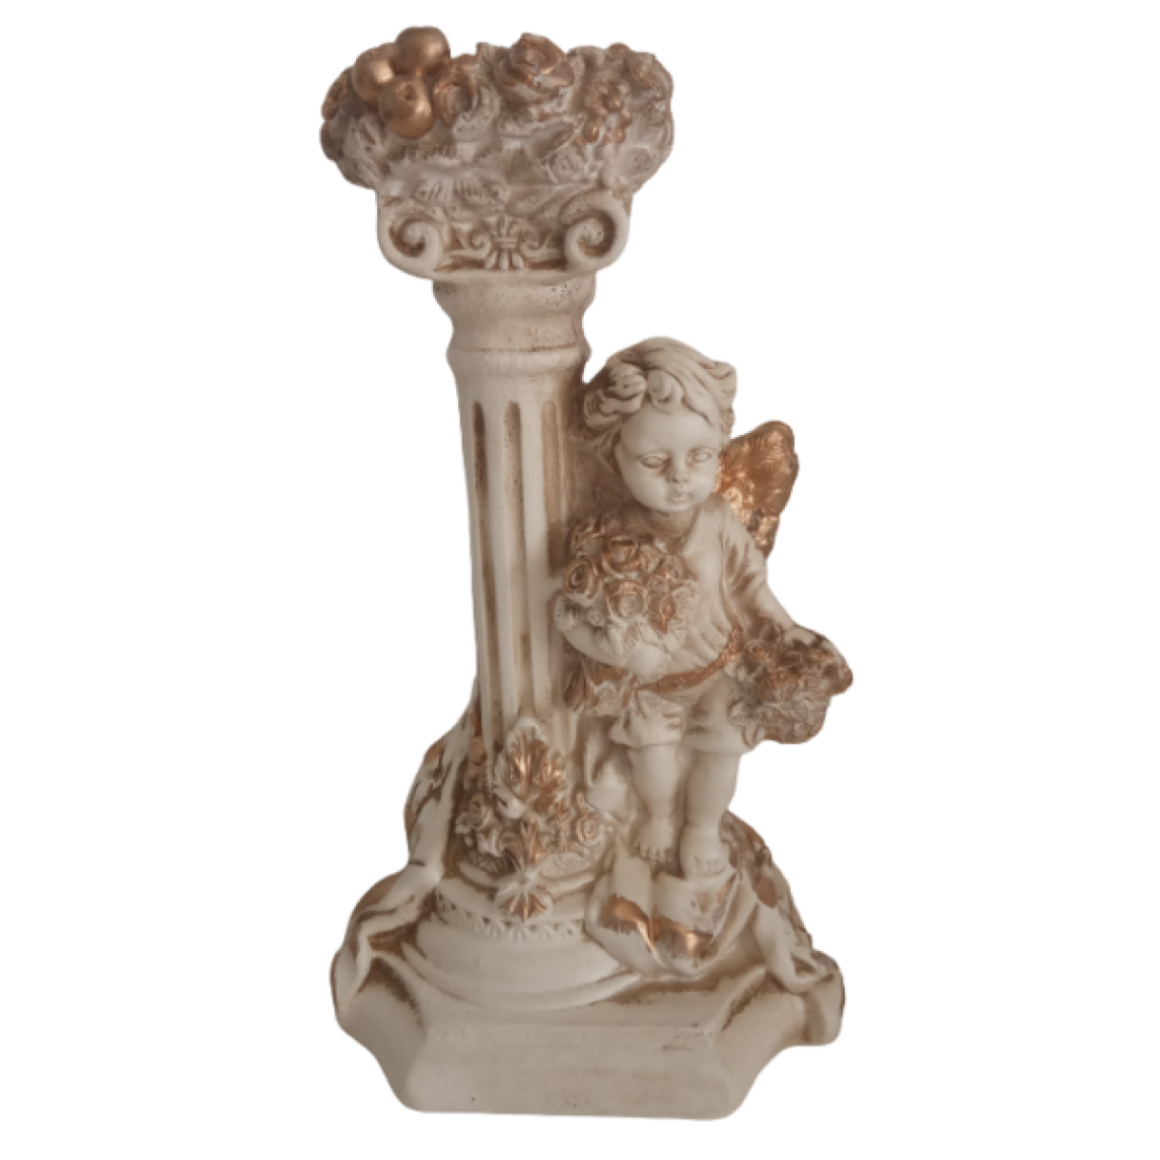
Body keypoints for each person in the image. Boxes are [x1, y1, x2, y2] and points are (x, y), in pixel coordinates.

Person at [556, 337, 822, 880]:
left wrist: (784, 626)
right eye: (655, 461)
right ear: (613, 457)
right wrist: (605, 647)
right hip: (651, 684)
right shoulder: (613, 536)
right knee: (652, 760)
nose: (680, 476)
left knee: (720, 753)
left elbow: (750, 585)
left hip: (721, 667)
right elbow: (580, 613)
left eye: (699, 457)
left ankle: (701, 826)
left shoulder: (720, 519)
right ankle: (658, 818)